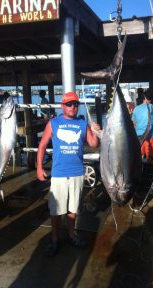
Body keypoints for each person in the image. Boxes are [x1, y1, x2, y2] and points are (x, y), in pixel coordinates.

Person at [37, 91, 100, 257]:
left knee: (73, 209)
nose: (73, 107)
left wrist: (96, 131)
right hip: (58, 173)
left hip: (77, 173)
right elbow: (42, 145)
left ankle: (72, 235)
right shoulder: (53, 123)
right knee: (56, 211)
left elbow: (93, 144)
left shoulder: (82, 123)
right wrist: (39, 167)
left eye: (75, 104)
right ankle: (55, 239)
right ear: (62, 106)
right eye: (69, 104)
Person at [132, 89, 153, 164]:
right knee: (149, 158)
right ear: (151, 99)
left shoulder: (136, 108)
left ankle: (139, 171)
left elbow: (133, 123)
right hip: (150, 136)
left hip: (139, 136)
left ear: (143, 97)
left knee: (139, 156)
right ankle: (149, 166)